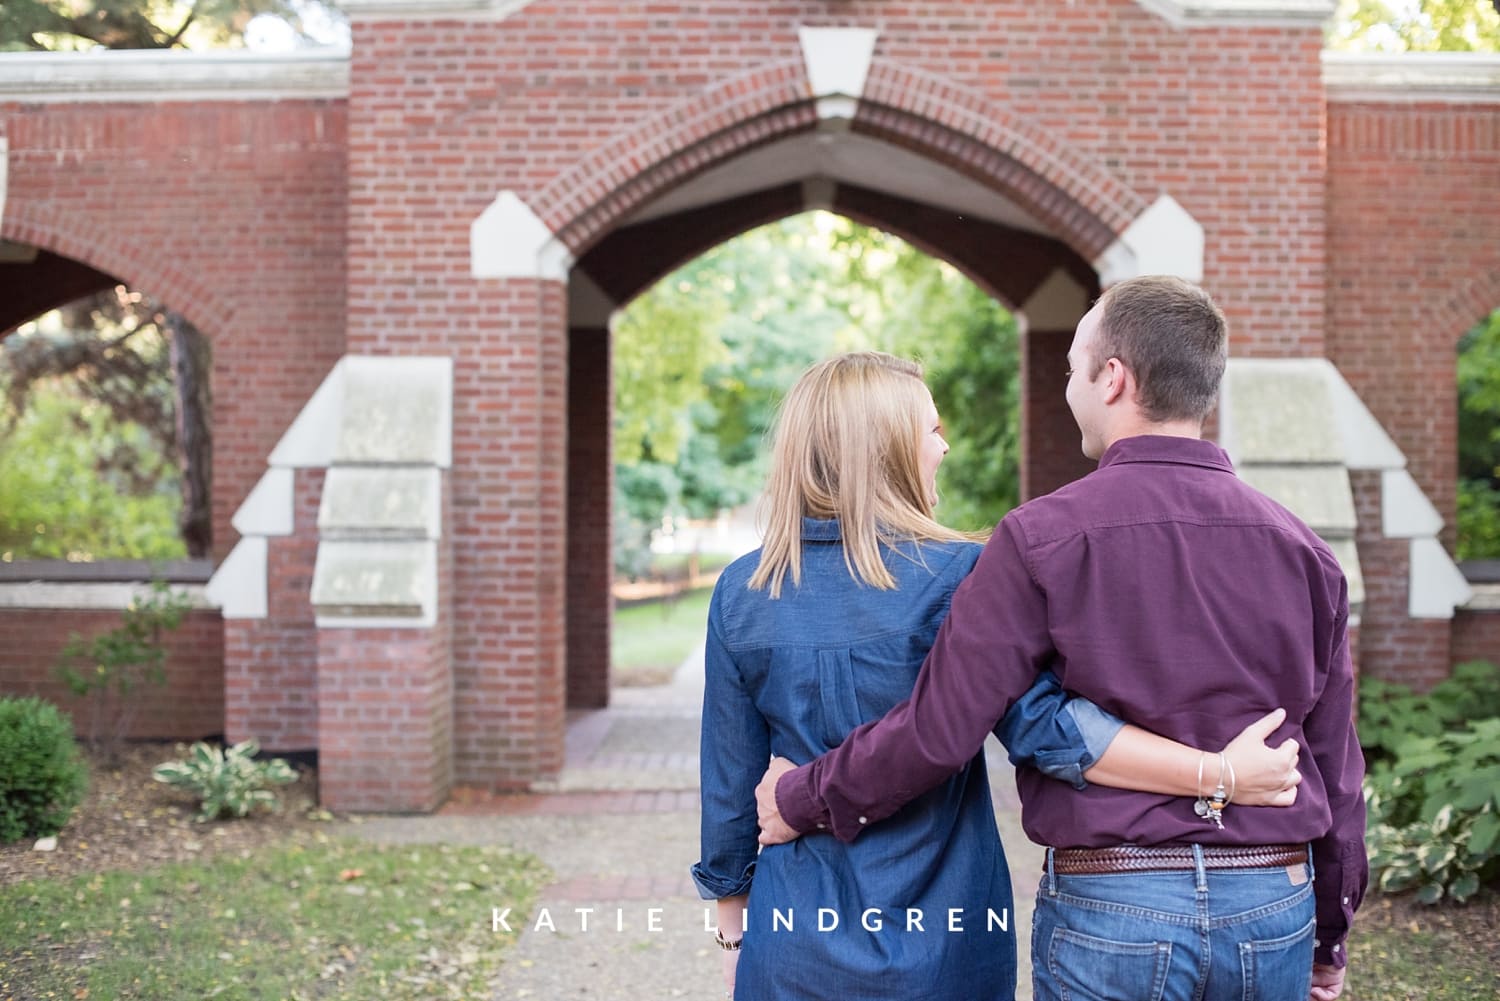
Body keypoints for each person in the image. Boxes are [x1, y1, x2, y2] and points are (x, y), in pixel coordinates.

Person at [758, 279, 1367, 1001]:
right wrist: (1329, 933)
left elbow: (939, 728)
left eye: (1074, 369)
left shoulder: (1039, 539)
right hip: (1270, 903)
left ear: (1113, 379)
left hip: (1117, 908)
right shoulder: (1305, 552)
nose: (1069, 389)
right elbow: (1335, 766)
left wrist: (800, 796)